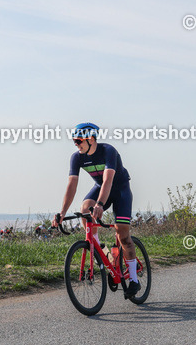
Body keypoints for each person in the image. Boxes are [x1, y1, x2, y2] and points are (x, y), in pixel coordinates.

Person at [52, 122, 141, 296]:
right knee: (85, 208)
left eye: (79, 141)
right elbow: (72, 185)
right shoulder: (76, 157)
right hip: (100, 188)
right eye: (74, 141)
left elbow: (108, 181)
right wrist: (62, 212)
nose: (76, 144)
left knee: (122, 233)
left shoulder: (108, 151)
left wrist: (100, 204)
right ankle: (103, 252)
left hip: (120, 190)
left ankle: (134, 280)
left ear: (91, 139)